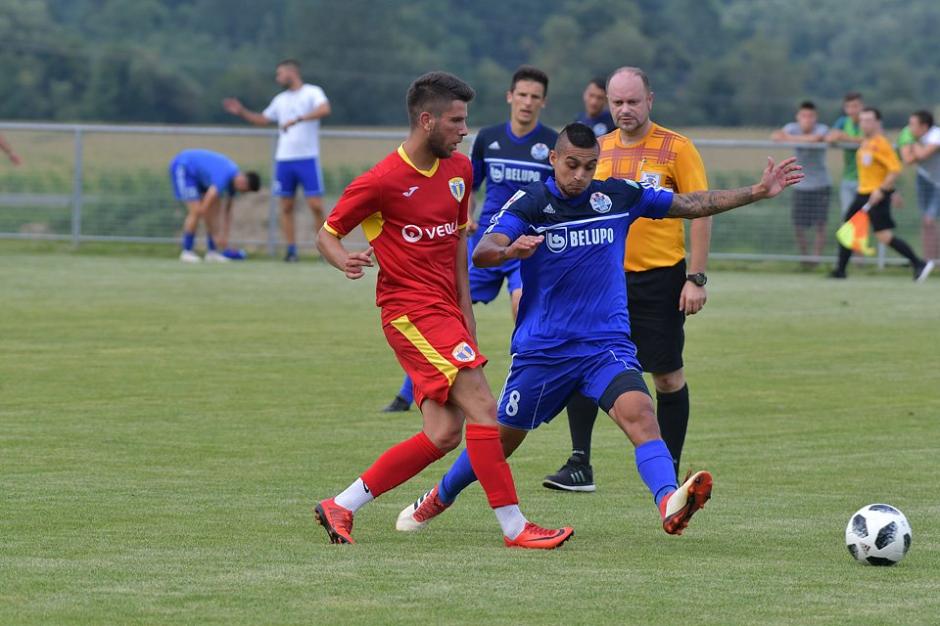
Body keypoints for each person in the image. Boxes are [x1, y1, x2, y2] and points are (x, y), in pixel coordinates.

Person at [395, 123, 802, 536]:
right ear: (554, 159)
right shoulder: (533, 201)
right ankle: (440, 496)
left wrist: (756, 191)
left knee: (641, 414)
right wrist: (508, 250)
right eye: (571, 165)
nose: (579, 176)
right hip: (544, 350)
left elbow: (691, 203)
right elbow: (482, 251)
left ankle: (668, 502)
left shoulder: (619, 197)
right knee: (500, 441)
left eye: (589, 167)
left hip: (604, 346)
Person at [314, 71, 573, 549]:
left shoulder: (459, 171)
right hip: (409, 313)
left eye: (466, 120)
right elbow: (327, 233)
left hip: (445, 312)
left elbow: (457, 242)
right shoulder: (381, 181)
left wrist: (466, 312)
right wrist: (343, 259)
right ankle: (516, 528)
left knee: (444, 432)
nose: (464, 130)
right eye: (456, 121)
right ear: (426, 120)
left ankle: (341, 505)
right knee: (483, 409)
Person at [543, 67, 711, 492]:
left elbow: (700, 208)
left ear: (649, 100)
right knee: (583, 364)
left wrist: (696, 277)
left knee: (667, 376)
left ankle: (667, 475)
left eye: (632, 101)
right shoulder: (599, 150)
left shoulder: (677, 148)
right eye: (617, 102)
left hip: (660, 279)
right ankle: (580, 463)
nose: (624, 109)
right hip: (602, 280)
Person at [381, 65, 558, 413]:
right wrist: (468, 217)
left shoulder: (551, 144)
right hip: (488, 244)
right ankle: (408, 392)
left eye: (534, 97)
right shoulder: (489, 138)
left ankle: (524, 387)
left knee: (522, 306)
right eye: (521, 95)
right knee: (447, 310)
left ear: (543, 103)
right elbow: (467, 187)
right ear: (510, 96)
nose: (527, 102)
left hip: (525, 247)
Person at [223, 59, 331, 262]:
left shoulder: (312, 92)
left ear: (292, 72)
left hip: (307, 158)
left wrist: (299, 119)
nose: (277, 78)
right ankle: (291, 251)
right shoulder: (280, 99)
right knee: (286, 206)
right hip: (284, 160)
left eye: (280, 73)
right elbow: (263, 119)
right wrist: (242, 112)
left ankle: (325, 250)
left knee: (316, 205)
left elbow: (324, 109)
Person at [831, 108, 934, 281]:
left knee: (883, 236)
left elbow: (895, 169)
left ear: (878, 122)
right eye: (862, 120)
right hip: (862, 193)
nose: (864, 123)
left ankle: (919, 263)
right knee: (847, 229)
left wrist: (882, 190)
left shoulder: (881, 144)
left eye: (869, 120)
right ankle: (840, 271)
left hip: (875, 196)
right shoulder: (865, 142)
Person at [168, 149, 260, 263]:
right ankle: (187, 251)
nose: (241, 192)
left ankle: (212, 252)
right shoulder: (224, 176)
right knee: (196, 211)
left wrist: (224, 236)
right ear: (243, 181)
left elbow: (227, 212)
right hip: (184, 167)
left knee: (214, 210)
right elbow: (204, 208)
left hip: (200, 178)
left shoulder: (233, 184)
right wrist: (215, 234)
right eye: (244, 190)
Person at [771, 101, 831, 264]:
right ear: (798, 117)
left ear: (815, 117)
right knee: (798, 225)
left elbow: (816, 138)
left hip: (821, 184)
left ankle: (816, 258)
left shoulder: (822, 129)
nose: (807, 119)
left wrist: (790, 139)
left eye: (810, 116)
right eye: (803, 116)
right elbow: (776, 136)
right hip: (800, 183)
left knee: (821, 224)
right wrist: (799, 139)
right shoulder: (791, 127)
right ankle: (805, 258)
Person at [898, 110, 940, 261]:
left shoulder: (936, 134)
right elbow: (908, 160)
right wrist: (916, 147)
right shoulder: (908, 134)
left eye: (913, 124)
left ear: (924, 126)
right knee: (926, 221)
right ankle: (928, 260)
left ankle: (936, 260)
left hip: (938, 182)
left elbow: (922, 155)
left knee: (930, 220)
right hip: (923, 180)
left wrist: (913, 144)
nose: (909, 128)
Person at [826, 92, 865, 217]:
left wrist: (846, 138)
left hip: (867, 179)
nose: (852, 110)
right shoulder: (843, 121)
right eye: (849, 106)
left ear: (862, 106)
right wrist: (836, 136)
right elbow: (830, 137)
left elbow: (872, 140)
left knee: (864, 218)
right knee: (848, 217)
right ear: (845, 108)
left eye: (855, 106)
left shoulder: (868, 120)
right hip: (848, 177)